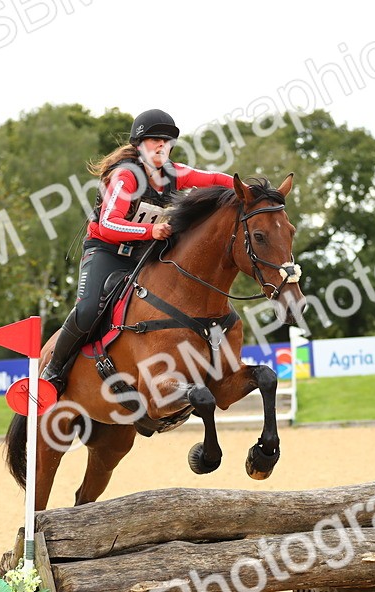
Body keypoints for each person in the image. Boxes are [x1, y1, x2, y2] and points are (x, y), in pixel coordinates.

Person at [39, 109, 236, 391]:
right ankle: (53, 371)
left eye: (166, 141)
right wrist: (150, 231)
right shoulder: (126, 176)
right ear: (139, 145)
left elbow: (215, 179)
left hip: (142, 255)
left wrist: (250, 191)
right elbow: (108, 224)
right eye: (154, 139)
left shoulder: (173, 173)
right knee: (88, 309)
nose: (161, 145)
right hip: (106, 252)